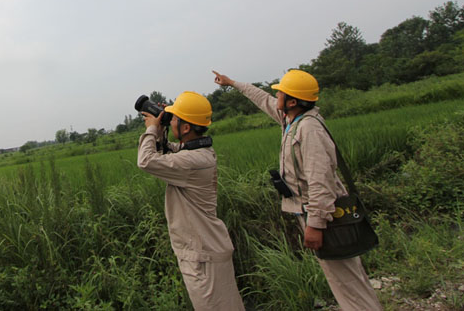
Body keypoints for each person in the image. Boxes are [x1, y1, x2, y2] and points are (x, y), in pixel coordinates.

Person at [212, 69, 381, 311]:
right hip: (315, 212)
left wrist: (316, 223)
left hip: (325, 215)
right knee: (346, 277)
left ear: (292, 101)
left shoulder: (309, 129)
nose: (276, 94)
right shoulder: (292, 120)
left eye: (281, 92)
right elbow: (262, 99)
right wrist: (232, 83)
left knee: (346, 282)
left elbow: (321, 182)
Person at [137, 91, 245, 311]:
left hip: (202, 255)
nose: (171, 119)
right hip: (207, 249)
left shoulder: (192, 160)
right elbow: (168, 153)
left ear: (186, 128)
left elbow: (147, 161)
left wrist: (152, 129)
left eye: (175, 118)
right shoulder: (200, 153)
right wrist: (165, 128)